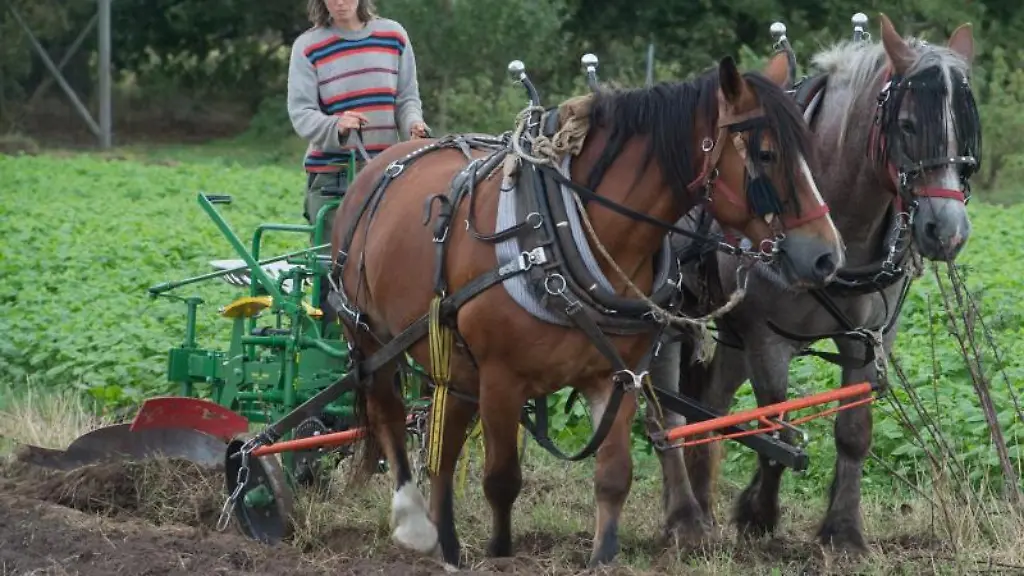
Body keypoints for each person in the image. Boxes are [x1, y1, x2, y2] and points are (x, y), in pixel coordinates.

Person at [288, 0, 429, 251]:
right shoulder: (308, 46)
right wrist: (336, 125)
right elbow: (301, 112)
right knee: (331, 268)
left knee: (387, 262)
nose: (340, 2)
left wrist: (413, 124)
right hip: (333, 176)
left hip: (387, 172)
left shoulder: (393, 35)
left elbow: (406, 98)